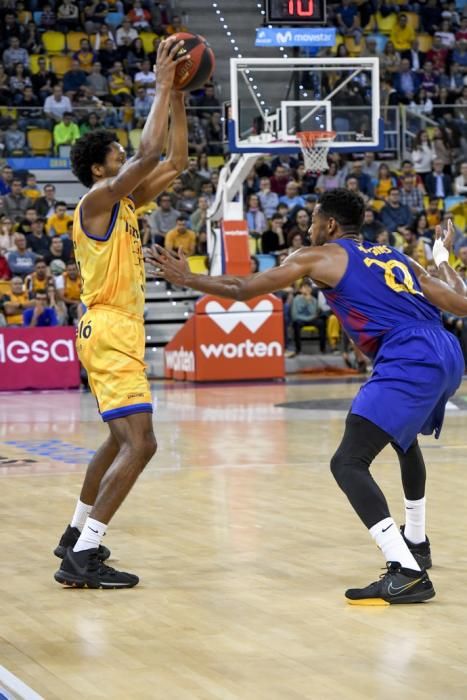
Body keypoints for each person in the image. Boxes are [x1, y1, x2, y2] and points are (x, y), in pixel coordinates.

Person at [151, 188, 467, 605]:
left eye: (313, 220)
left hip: (409, 355)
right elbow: (460, 303)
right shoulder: (395, 256)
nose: (309, 227)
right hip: (447, 351)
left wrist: (189, 278)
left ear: (330, 225)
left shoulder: (317, 256)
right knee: (401, 439)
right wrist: (442, 258)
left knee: (348, 462)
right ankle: (417, 541)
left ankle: (406, 569)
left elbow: (245, 287)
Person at [53, 36, 190, 590]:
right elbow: (150, 153)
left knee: (117, 441)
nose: (124, 158)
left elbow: (175, 158)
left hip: (113, 329)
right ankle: (84, 557)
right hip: (109, 327)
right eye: (115, 155)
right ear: (98, 168)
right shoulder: (94, 203)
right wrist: (159, 86)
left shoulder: (126, 204)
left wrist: (178, 95)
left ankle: (74, 534)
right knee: (143, 444)